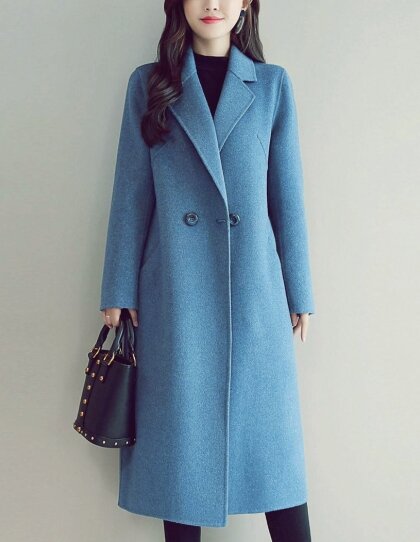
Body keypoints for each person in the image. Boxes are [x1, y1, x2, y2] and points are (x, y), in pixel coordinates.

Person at [99, 1, 315, 540]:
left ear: (246, 3)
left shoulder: (271, 86)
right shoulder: (150, 84)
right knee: (183, 457)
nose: (212, 3)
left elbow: (286, 197)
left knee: (276, 460)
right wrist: (119, 286)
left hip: (255, 293)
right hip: (176, 290)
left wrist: (299, 292)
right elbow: (131, 192)